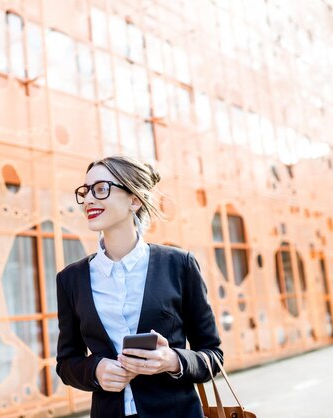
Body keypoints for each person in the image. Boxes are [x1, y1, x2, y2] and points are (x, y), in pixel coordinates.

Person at [55, 155, 223, 418]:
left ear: (134, 200)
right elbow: (66, 363)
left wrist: (172, 360)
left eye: (101, 189)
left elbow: (213, 356)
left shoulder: (179, 265)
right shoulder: (70, 279)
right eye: (85, 192)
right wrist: (95, 370)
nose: (88, 200)